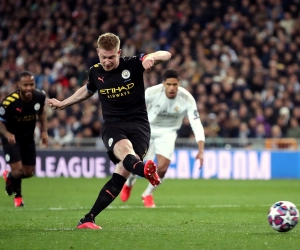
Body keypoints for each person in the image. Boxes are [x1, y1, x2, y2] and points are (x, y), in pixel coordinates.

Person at [47, 32, 171, 229]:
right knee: (125, 152)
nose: (107, 61)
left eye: (111, 57)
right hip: (113, 126)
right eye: (103, 57)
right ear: (98, 53)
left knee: (121, 172)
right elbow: (87, 90)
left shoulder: (132, 64)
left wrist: (150, 57)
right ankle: (143, 169)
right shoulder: (95, 72)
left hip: (139, 126)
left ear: (119, 53)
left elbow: (166, 54)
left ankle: (88, 219)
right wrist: (63, 103)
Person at [120, 69, 205, 207]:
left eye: (175, 84)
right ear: (163, 84)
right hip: (147, 129)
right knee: (136, 161)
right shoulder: (152, 93)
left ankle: (147, 194)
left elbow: (196, 124)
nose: (172, 88)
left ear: (179, 84)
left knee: (163, 168)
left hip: (168, 133)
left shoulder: (187, 99)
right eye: (169, 84)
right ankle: (129, 183)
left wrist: (201, 150)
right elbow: (134, 107)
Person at [0, 71, 48, 207]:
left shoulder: (40, 97)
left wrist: (44, 132)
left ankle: (9, 177)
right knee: (17, 170)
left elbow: (42, 113)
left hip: (28, 138)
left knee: (28, 173)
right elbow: (0, 122)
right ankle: (18, 198)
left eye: (31, 84)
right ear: (19, 85)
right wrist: (7, 134)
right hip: (11, 138)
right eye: (25, 85)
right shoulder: (9, 102)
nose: (28, 88)